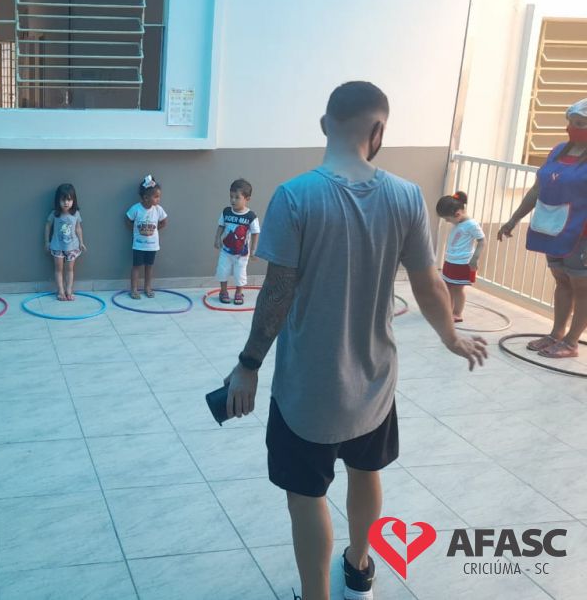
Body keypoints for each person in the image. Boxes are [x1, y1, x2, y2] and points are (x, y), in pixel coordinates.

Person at [223, 81, 488, 600]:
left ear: (325, 126)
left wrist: (249, 364)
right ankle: (359, 570)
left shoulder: (295, 196)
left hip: (307, 391)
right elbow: (429, 282)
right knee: (366, 473)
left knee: (306, 495)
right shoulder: (406, 196)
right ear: (379, 131)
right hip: (374, 385)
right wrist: (450, 337)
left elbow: (276, 292)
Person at [499, 98, 587, 359]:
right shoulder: (558, 150)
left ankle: (571, 342)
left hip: (581, 235)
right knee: (562, 281)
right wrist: (514, 219)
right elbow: (537, 188)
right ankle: (556, 334)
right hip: (554, 229)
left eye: (580, 123)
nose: (573, 127)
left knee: (582, 288)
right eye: (571, 122)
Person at [435, 191, 484, 322]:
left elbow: (482, 240)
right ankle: (448, 310)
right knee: (448, 287)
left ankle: (457, 313)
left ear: (457, 214)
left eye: (447, 219)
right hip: (450, 260)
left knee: (458, 289)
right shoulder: (458, 222)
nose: (447, 221)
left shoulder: (471, 225)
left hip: (462, 263)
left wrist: (474, 259)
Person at [213, 178, 260, 305]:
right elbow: (221, 225)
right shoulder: (226, 212)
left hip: (241, 254)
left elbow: (255, 232)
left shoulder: (251, 216)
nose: (233, 200)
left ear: (247, 199)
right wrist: (217, 238)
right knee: (222, 271)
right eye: (231, 197)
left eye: (237, 197)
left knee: (240, 274)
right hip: (226, 251)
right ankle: (223, 291)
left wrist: (254, 249)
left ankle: (239, 292)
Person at [125, 175, 168, 299]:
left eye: (159, 196)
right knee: (136, 267)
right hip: (138, 245)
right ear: (146, 198)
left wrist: (154, 230)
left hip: (152, 246)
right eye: (156, 197)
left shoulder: (158, 209)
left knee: (149, 267)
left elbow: (164, 221)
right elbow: (127, 219)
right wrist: (135, 230)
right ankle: (133, 289)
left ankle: (147, 287)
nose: (158, 199)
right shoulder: (136, 209)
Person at [44, 183, 86, 300]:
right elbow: (47, 226)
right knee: (58, 269)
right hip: (57, 247)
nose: (66, 203)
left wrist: (81, 242)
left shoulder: (76, 214)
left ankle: (69, 291)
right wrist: (47, 242)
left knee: (70, 269)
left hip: (72, 247)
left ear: (73, 200)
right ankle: (61, 291)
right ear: (58, 200)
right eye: (63, 200)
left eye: (69, 200)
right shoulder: (55, 214)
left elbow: (78, 228)